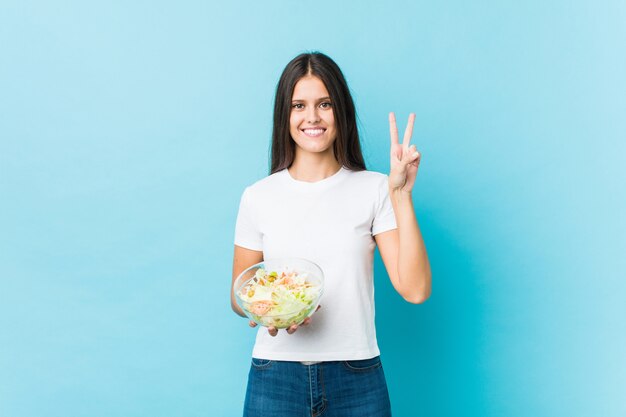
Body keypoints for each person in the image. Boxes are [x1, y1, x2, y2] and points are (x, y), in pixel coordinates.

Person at [231, 51, 431, 417]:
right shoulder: (257, 196)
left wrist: (401, 194)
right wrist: (269, 311)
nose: (312, 117)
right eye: (298, 105)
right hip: (275, 376)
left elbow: (415, 289)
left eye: (324, 104)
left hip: (357, 374)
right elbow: (238, 293)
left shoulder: (375, 189)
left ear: (341, 111)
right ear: (284, 116)